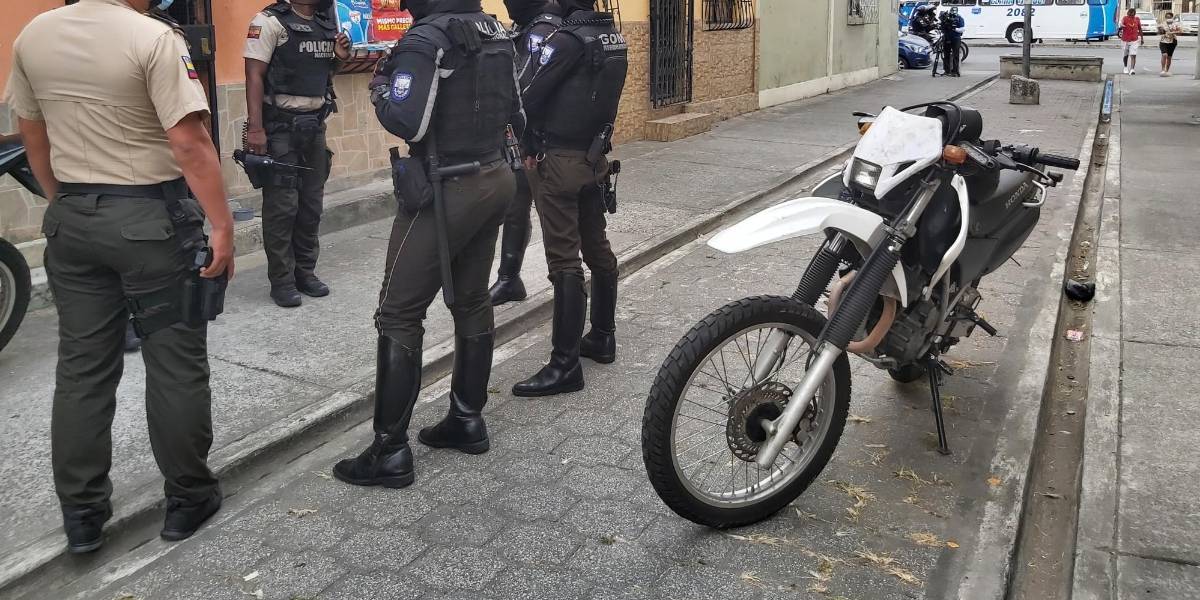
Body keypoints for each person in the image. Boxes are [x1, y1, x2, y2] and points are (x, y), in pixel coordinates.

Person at [5, 0, 234, 552]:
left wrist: (66, 203)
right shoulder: (152, 38)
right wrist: (222, 226)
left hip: (73, 219)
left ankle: (82, 515)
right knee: (175, 359)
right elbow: (188, 142)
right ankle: (188, 496)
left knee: (83, 365)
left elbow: (31, 134)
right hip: (148, 221)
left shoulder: (32, 35)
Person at [332, 0, 523, 488]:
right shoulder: (496, 31)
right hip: (494, 175)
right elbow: (517, 111)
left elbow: (408, 122)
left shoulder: (425, 40)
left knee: (397, 312)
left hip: (447, 188)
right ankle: (466, 419)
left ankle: (390, 451)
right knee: (472, 297)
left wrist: (379, 89)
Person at [512, 0, 627, 397]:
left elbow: (527, 97)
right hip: (594, 158)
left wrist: (525, 141)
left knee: (564, 260)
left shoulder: (566, 40)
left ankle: (564, 365)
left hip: (557, 159)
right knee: (598, 248)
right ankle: (602, 336)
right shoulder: (613, 37)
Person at [244, 0, 351, 307]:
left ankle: (305, 272)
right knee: (282, 208)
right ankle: (282, 281)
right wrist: (255, 128)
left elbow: (323, 72)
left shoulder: (325, 24)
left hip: (314, 127)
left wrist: (340, 58)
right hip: (280, 129)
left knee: (311, 206)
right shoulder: (269, 22)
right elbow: (253, 75)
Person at [487, 0, 564, 306]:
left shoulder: (542, 28)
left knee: (556, 217)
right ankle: (509, 279)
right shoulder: (527, 24)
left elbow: (527, 85)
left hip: (541, 138)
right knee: (515, 206)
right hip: (524, 135)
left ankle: (567, 283)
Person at [939, 7, 964, 77]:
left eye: (954, 11)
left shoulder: (959, 18)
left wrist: (954, 28)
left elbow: (962, 29)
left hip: (955, 38)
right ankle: (947, 71)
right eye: (951, 11)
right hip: (947, 37)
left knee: (955, 55)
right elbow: (942, 28)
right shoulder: (946, 18)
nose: (952, 13)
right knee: (946, 55)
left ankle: (955, 71)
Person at [1119, 8, 1144, 75]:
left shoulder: (1137, 19)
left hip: (1134, 40)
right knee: (1125, 54)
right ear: (1128, 13)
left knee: (1133, 55)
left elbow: (1140, 29)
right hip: (1125, 40)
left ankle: (1132, 69)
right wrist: (1121, 25)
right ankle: (1125, 67)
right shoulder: (1125, 18)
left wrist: (1142, 38)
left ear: (1135, 14)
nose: (1131, 15)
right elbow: (1121, 24)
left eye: (1133, 14)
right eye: (1130, 14)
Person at [1158, 12, 1181, 76]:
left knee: (1169, 57)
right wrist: (1161, 30)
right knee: (1164, 54)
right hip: (1163, 41)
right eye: (1167, 17)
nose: (1168, 18)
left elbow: (1180, 31)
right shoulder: (1162, 23)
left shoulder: (1175, 24)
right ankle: (1163, 70)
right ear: (1165, 17)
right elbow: (1159, 32)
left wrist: (1173, 32)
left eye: (1170, 17)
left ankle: (1167, 70)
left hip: (1172, 41)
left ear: (1172, 17)